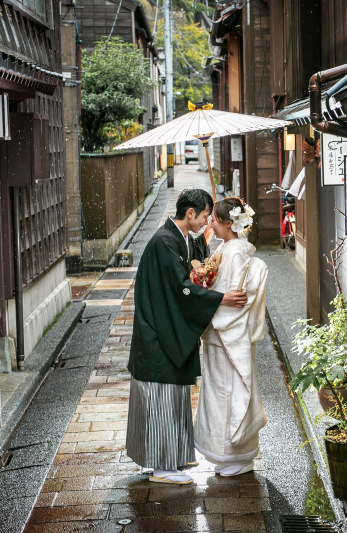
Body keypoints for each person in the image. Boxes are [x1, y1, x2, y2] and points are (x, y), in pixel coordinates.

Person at [126, 188, 247, 485]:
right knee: (162, 401)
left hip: (164, 328)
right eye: (205, 215)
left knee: (170, 400)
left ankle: (170, 460)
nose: (208, 221)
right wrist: (220, 298)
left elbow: (193, 260)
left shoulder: (176, 238)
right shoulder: (164, 241)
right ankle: (162, 467)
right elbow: (181, 288)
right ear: (190, 213)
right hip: (158, 334)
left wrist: (206, 241)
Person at [194, 197, 268, 477]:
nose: (210, 223)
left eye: (213, 219)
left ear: (228, 223)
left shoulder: (234, 252)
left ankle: (235, 455)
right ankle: (228, 454)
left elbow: (234, 297)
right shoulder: (227, 248)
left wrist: (208, 295)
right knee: (222, 395)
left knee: (228, 395)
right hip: (222, 333)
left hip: (227, 333)